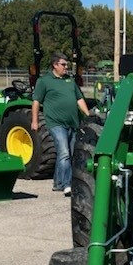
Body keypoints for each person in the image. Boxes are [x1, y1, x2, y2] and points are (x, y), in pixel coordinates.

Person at [31, 52, 90, 195]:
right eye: (63, 65)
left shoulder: (69, 80)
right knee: (64, 153)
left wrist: (88, 115)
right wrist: (35, 121)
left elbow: (79, 99)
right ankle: (66, 184)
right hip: (55, 123)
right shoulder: (44, 81)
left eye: (67, 65)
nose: (66, 67)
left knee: (67, 153)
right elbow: (36, 101)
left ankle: (58, 182)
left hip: (72, 123)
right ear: (55, 65)